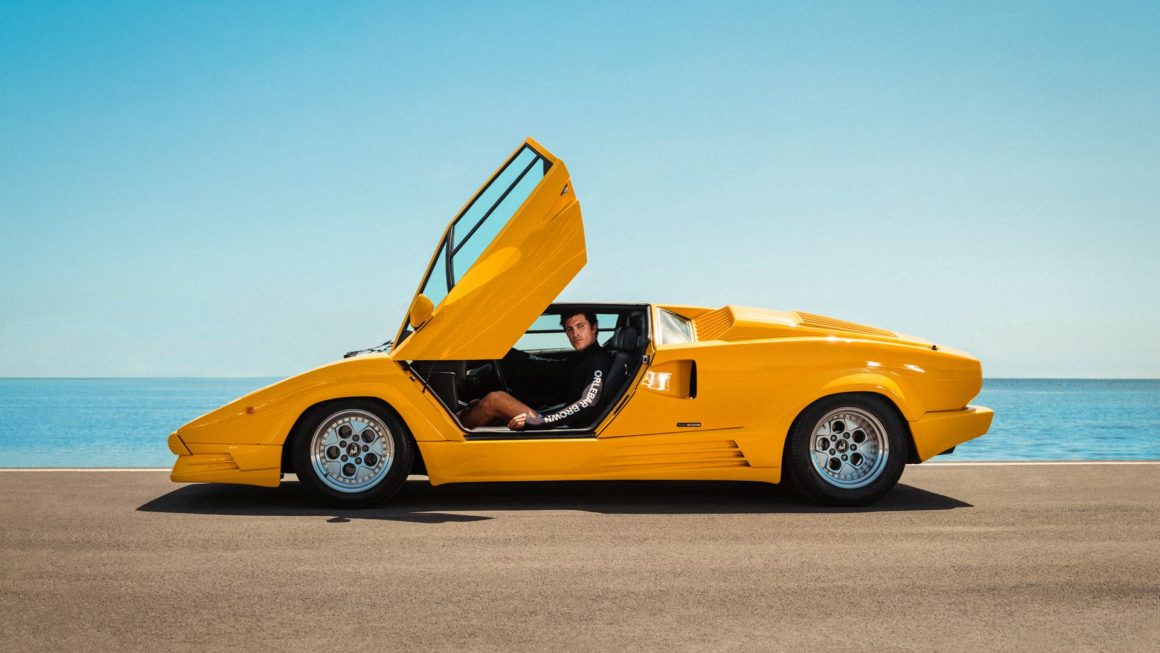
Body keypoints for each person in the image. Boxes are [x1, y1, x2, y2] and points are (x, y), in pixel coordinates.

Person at [458, 311, 612, 430]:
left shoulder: (598, 360)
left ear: (594, 328)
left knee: (495, 400)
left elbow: (588, 402)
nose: (575, 334)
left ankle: (449, 439)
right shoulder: (582, 357)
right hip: (559, 417)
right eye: (569, 329)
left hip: (568, 428)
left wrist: (541, 421)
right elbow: (549, 366)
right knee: (478, 404)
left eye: (580, 326)